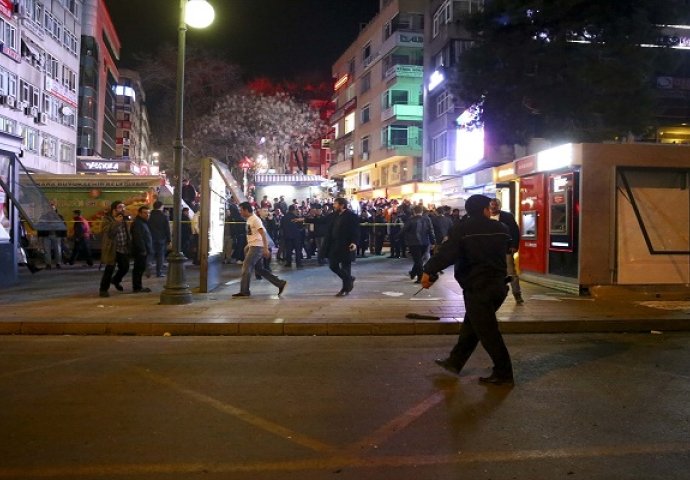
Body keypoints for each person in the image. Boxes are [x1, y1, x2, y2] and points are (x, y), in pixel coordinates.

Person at [421, 194, 514, 385]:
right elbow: (509, 249)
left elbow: (447, 254)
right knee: (472, 326)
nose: (491, 209)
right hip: (498, 285)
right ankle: (455, 361)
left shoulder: (462, 229)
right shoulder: (502, 228)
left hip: (477, 287)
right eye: (489, 207)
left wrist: (429, 270)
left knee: (488, 332)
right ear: (484, 209)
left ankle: (504, 373)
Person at [232, 202, 287, 298]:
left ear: (245, 210)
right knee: (259, 269)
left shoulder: (255, 220)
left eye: (241, 210)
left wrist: (265, 248)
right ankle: (280, 283)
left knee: (246, 267)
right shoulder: (250, 219)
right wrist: (248, 245)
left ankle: (244, 291)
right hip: (253, 246)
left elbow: (263, 234)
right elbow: (252, 234)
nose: (240, 212)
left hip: (256, 247)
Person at [490, 198, 524, 305]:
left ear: (499, 206)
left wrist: (514, 245)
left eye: (496, 205)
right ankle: (492, 294)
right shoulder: (485, 216)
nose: (494, 207)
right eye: (492, 205)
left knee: (511, 272)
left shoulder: (507, 216)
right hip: (490, 250)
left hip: (506, 249)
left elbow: (515, 231)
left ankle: (517, 294)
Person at [323, 197, 359, 296]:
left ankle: (345, 289)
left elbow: (355, 231)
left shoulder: (351, 216)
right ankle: (349, 278)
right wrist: (304, 219)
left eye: (335, 204)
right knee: (333, 265)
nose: (334, 206)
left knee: (346, 267)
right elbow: (322, 220)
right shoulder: (334, 215)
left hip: (346, 245)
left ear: (342, 205)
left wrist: (354, 242)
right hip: (334, 245)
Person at [99, 201, 131, 297]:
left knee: (125, 267)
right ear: (114, 209)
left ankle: (115, 280)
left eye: (123, 207)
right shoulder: (107, 219)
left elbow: (127, 232)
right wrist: (116, 222)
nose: (123, 209)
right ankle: (103, 289)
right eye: (120, 207)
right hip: (112, 248)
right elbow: (108, 233)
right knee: (109, 269)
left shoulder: (124, 219)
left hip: (123, 248)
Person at [402, 204, 435, 283]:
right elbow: (431, 230)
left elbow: (404, 230)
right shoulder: (427, 219)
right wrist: (433, 242)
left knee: (418, 260)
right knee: (419, 260)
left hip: (414, 243)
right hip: (425, 242)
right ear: (422, 211)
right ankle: (413, 273)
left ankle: (420, 277)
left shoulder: (411, 220)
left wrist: (397, 237)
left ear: (413, 211)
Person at [130, 205, 153, 293]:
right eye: (145, 213)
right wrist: (143, 250)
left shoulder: (143, 222)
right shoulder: (138, 223)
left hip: (143, 250)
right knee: (138, 269)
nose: (147, 215)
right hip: (140, 251)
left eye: (148, 213)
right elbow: (138, 238)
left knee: (140, 269)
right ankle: (137, 287)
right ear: (139, 213)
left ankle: (138, 286)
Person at [37, 203, 66, 269]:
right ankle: (48, 264)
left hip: (57, 235)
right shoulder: (43, 217)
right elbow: (40, 226)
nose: (51, 209)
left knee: (58, 250)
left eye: (53, 208)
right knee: (47, 251)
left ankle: (58, 263)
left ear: (55, 208)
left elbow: (63, 226)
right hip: (46, 235)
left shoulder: (59, 217)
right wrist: (39, 236)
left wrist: (63, 236)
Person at [148, 200, 171, 277]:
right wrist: (169, 239)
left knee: (150, 254)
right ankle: (159, 272)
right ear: (161, 207)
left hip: (151, 238)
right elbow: (167, 229)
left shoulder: (149, 216)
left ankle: (148, 271)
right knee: (160, 256)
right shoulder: (164, 216)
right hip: (161, 238)